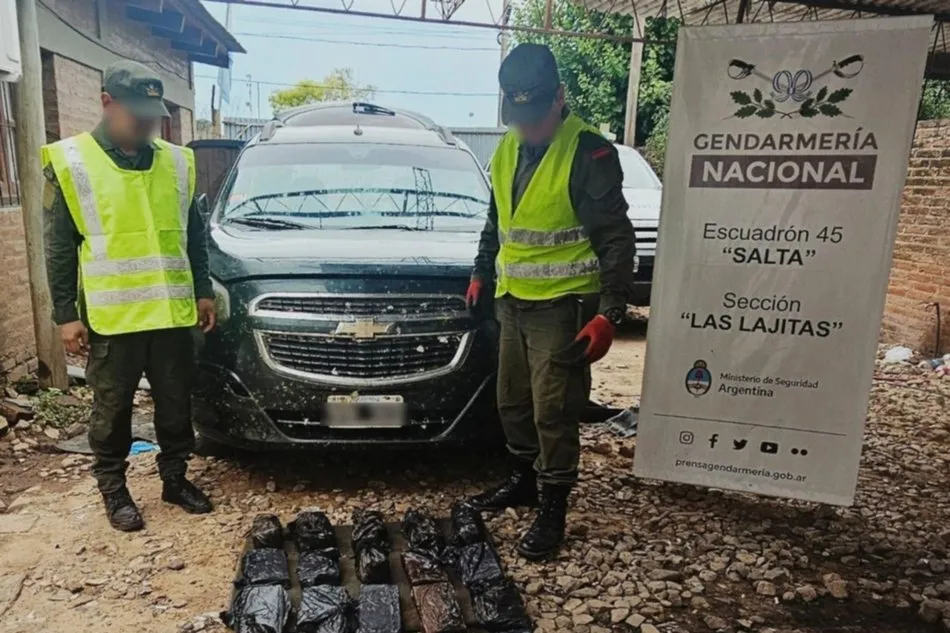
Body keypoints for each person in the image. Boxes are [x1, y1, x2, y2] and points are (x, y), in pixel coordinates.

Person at [466, 44, 637, 559]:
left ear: (559, 98)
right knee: (512, 402)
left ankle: (553, 503)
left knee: (553, 410)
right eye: (518, 118)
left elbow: (615, 238)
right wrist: (480, 269)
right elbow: (498, 219)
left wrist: (611, 312)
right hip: (512, 300)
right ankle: (522, 479)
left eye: (536, 116)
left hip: (563, 306)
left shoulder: (589, 153)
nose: (528, 128)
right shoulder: (506, 147)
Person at [42, 60, 216, 532]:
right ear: (106, 104)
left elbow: (193, 235)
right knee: (112, 410)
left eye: (153, 116)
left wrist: (202, 290)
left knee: (177, 405)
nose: (145, 124)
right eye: (136, 114)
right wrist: (65, 315)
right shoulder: (73, 163)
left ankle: (175, 478)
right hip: (113, 319)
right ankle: (115, 491)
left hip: (172, 316)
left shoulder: (178, 163)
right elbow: (59, 248)